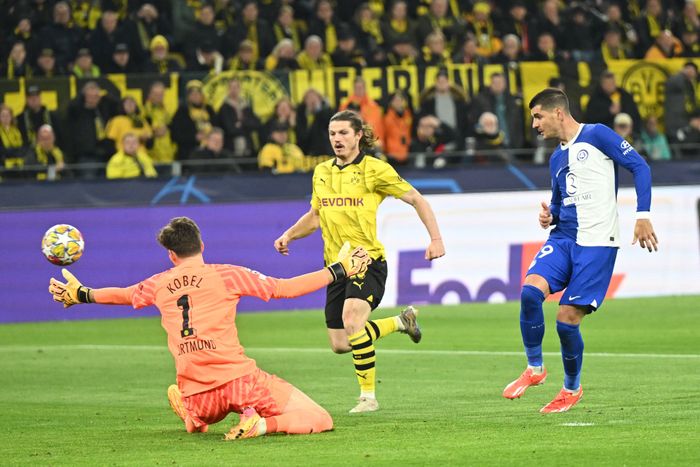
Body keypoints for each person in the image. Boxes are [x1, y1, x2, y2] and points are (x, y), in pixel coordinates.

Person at [48, 216, 371, 439]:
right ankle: (260, 425)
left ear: (171, 255)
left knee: (197, 410)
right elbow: (286, 288)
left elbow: (124, 294)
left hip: (198, 394)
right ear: (202, 245)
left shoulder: (158, 284)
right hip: (239, 382)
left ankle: (193, 417)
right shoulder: (227, 274)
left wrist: (82, 294)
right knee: (320, 418)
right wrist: (340, 269)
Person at [274, 110, 445, 413]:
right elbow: (315, 216)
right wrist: (289, 234)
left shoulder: (375, 170)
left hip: (368, 261)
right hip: (336, 268)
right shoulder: (322, 172)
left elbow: (417, 199)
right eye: (332, 133)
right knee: (341, 343)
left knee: (353, 320)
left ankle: (368, 397)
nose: (337, 139)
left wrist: (435, 239)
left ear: (358, 136)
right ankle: (401, 322)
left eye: (343, 133)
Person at [502, 88, 658, 413]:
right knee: (530, 293)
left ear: (558, 112)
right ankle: (535, 368)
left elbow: (640, 167)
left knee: (566, 319)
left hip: (597, 242)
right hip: (563, 238)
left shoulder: (597, 135)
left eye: (538, 116)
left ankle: (571, 389)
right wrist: (550, 216)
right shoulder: (556, 158)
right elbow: (559, 203)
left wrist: (642, 215)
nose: (534, 124)